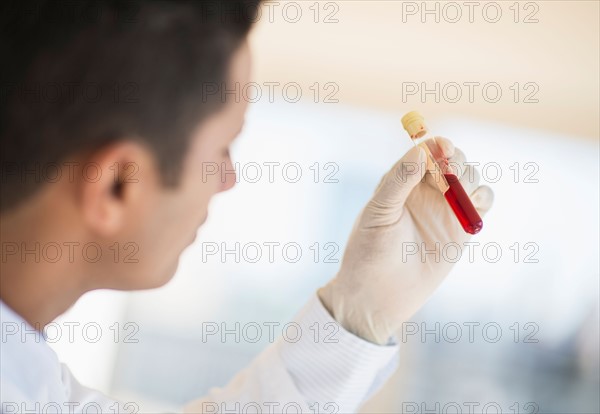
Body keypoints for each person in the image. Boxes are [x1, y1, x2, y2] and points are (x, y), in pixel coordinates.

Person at [0, 1, 494, 412]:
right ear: (116, 185)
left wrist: (359, 311)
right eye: (221, 149)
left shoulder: (34, 383)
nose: (230, 179)